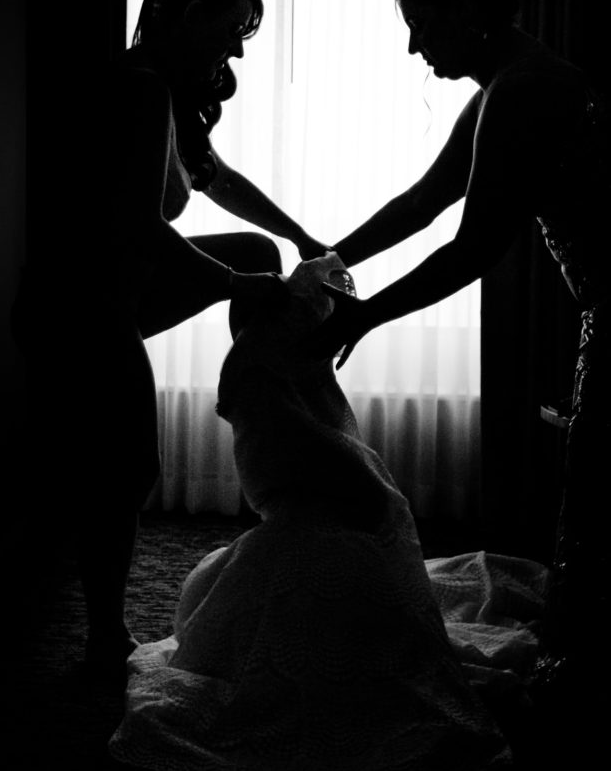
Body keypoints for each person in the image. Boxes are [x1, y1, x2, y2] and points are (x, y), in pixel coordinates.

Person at [311, 0, 610, 732]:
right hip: (604, 304)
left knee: (599, 492)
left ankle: (576, 685)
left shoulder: (526, 89)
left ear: (468, 11)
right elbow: (426, 199)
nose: (415, 45)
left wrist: (366, 313)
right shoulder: (502, 87)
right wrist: (335, 256)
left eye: (422, 23)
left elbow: (473, 249)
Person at [31, 0, 328, 684]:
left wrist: (301, 237)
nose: (234, 50)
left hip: (122, 292)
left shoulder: (162, 90)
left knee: (260, 251)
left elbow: (215, 180)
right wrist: (235, 286)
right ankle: (104, 636)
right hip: (76, 307)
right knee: (129, 468)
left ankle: (267, 423)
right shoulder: (134, 89)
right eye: (231, 31)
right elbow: (142, 229)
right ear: (189, 14)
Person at [109, 253, 512, 771]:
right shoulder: (302, 402)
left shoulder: (267, 393)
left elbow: (276, 487)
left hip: (312, 540)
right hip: (339, 530)